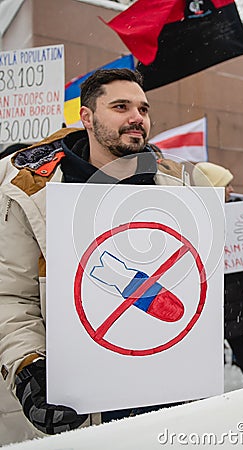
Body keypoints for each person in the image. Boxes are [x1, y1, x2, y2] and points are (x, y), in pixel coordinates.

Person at [0, 69, 191, 445]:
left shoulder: (177, 186)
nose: (137, 117)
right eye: (121, 106)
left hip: (157, 398)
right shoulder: (28, 187)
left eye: (143, 108)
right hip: (76, 407)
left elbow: (189, 287)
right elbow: (10, 296)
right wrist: (30, 370)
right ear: (87, 118)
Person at [193, 162, 243, 386]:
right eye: (226, 185)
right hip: (216, 311)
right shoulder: (195, 221)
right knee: (205, 378)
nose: (232, 190)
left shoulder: (237, 217)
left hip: (238, 311)